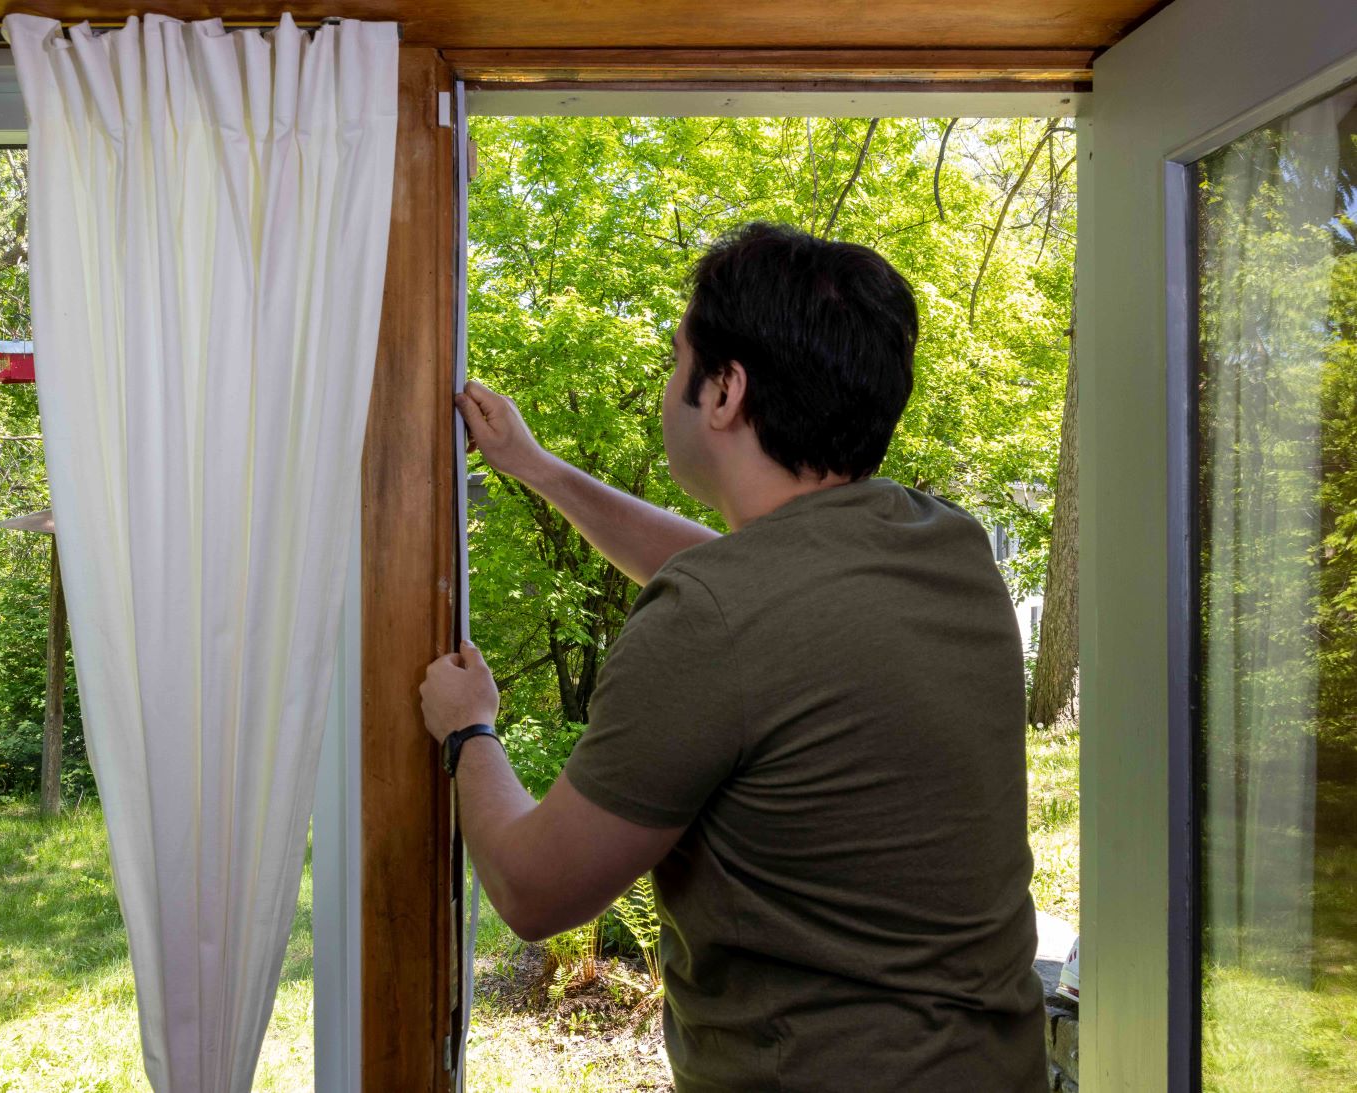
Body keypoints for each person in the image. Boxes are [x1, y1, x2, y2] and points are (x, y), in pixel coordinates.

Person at [417, 221, 1046, 1091]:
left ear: (724, 390)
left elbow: (533, 891)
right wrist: (540, 468)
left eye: (677, 362)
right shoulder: (946, 544)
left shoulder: (715, 622)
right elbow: (739, 582)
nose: (668, 386)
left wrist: (468, 732)